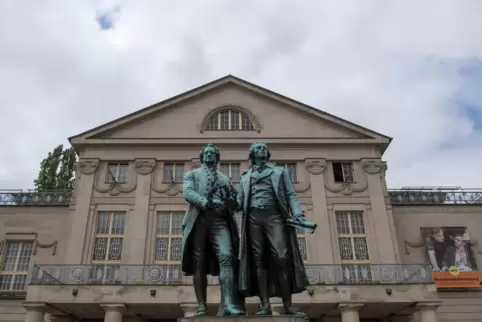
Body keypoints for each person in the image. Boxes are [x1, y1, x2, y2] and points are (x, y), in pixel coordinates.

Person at [237, 141, 309, 316]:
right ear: (252, 154)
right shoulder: (245, 176)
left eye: (264, 148)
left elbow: (291, 194)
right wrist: (230, 201)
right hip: (253, 217)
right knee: (258, 260)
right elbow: (239, 202)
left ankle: (288, 304)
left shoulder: (279, 172)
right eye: (257, 148)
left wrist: (298, 213)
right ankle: (265, 305)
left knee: (282, 257)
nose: (261, 150)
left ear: (267, 154)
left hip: (274, 216)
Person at [181, 144, 245, 316]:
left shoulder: (225, 178)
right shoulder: (192, 174)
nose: (209, 155)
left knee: (226, 256)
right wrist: (204, 201)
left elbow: (236, 197)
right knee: (198, 263)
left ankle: (229, 304)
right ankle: (202, 305)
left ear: (217, 158)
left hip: (220, 220)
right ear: (202, 157)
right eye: (206, 153)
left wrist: (235, 202)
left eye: (213, 153)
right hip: (199, 219)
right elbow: (187, 192)